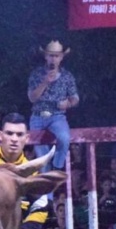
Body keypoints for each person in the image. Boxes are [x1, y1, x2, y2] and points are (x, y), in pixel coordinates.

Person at [27, 40, 79, 171]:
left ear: (61, 58)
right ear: (46, 56)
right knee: (43, 164)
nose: (53, 59)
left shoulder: (67, 76)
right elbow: (32, 98)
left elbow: (75, 98)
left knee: (64, 138)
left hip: (57, 117)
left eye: (56, 56)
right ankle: (47, 175)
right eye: (51, 55)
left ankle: (57, 166)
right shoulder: (37, 74)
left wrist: (68, 103)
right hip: (38, 117)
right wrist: (45, 82)